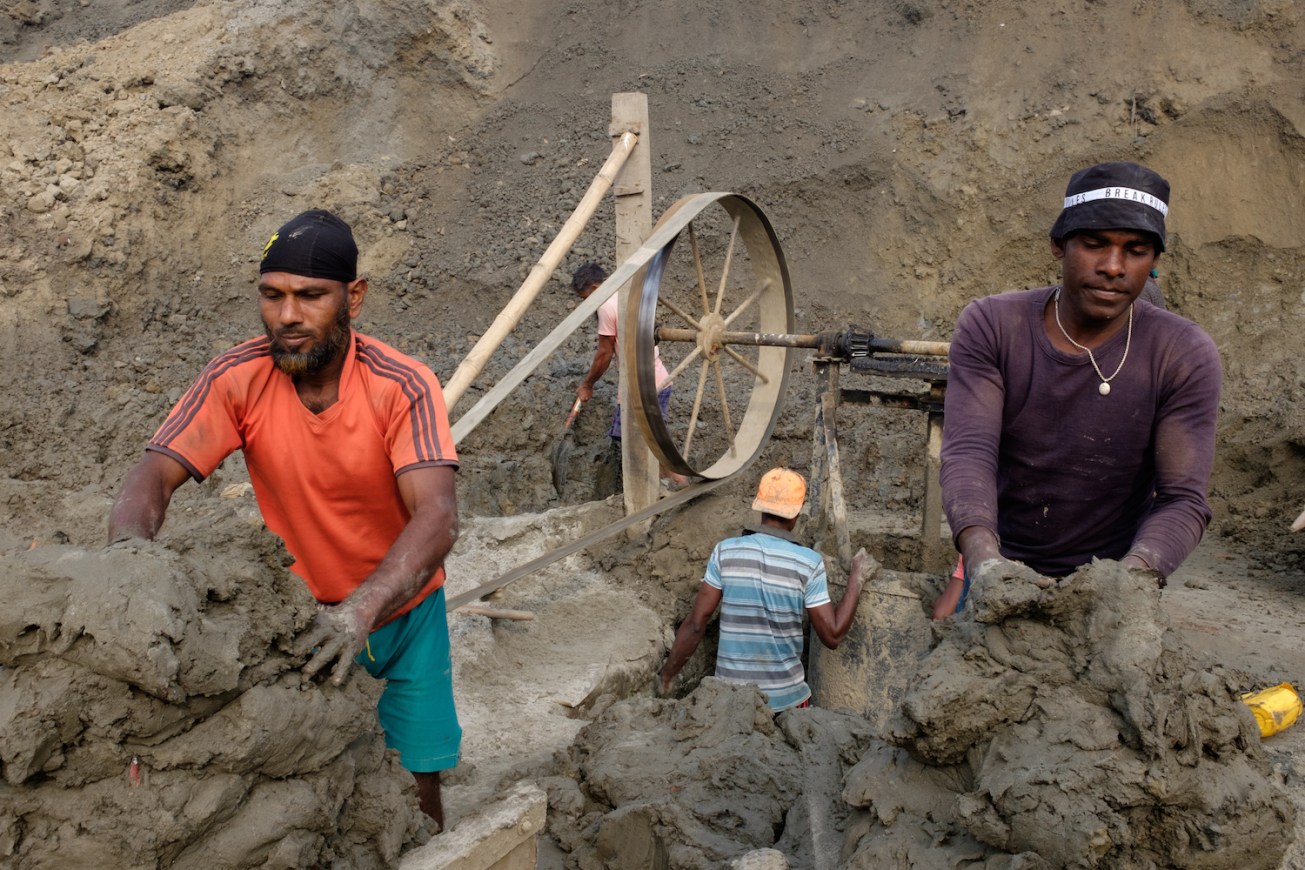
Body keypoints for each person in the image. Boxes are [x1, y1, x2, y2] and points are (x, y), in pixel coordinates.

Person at [107, 210, 460, 828]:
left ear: (354, 295)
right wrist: (125, 563)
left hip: (402, 616)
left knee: (416, 788)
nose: (288, 315)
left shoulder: (401, 385)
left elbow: (437, 515)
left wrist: (363, 609)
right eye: (272, 296)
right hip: (300, 620)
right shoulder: (236, 375)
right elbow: (154, 475)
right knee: (304, 787)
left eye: (309, 296)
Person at [934, 161, 1222, 618]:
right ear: (1057, 244)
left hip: (1110, 586)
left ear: (1155, 261)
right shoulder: (993, 326)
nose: (1113, 267)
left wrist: (1130, 580)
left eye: (1136, 250)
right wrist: (985, 560)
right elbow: (969, 453)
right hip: (1000, 573)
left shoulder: (1182, 354)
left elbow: (1182, 499)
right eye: (1094, 245)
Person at [657, 468, 871, 711]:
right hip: (787, 705)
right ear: (796, 513)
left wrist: (667, 675)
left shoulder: (725, 552)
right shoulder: (808, 563)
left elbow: (696, 624)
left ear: (759, 506)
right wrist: (856, 578)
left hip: (730, 702)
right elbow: (832, 636)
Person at [571, 262, 689, 487]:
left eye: (585, 298)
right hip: (657, 379)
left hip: (641, 385)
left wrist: (588, 384)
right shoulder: (627, 293)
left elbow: (604, 353)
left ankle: (675, 484)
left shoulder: (606, 305)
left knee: (642, 441)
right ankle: (665, 484)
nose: (587, 305)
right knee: (644, 440)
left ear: (596, 288)